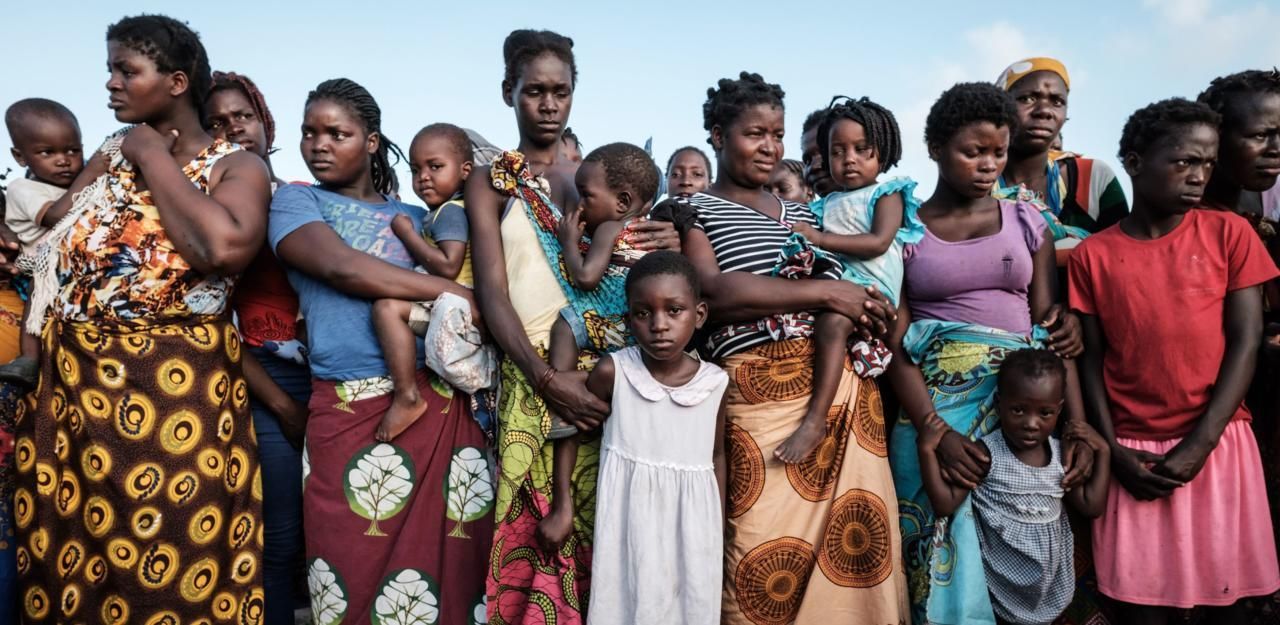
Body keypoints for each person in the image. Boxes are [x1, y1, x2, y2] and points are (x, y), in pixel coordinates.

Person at [14, 14, 272, 623]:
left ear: (177, 81)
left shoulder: (234, 167)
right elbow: (54, 233)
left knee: (177, 565)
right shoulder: (108, 154)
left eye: (126, 70)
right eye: (110, 69)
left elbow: (222, 249)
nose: (111, 84)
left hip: (173, 399)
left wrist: (151, 153)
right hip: (75, 395)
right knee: (73, 566)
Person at [466, 29, 679, 625]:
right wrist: (544, 377)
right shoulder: (492, 181)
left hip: (617, 381)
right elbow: (493, 293)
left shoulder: (603, 178)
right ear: (509, 91)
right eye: (534, 90)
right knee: (536, 542)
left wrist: (668, 236)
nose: (549, 104)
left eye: (561, 91)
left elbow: (647, 272)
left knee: (615, 535)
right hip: (535, 377)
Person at [682, 70, 907, 624]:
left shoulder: (805, 212)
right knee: (758, 556)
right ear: (717, 134)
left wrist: (868, 307)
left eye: (777, 134)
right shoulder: (691, 211)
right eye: (754, 133)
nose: (769, 147)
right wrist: (830, 291)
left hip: (842, 389)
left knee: (856, 556)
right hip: (756, 394)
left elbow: (870, 270)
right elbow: (714, 292)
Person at [270, 78, 491, 624]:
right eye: (309, 133)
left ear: (371, 142)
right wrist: (454, 292)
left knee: (448, 569)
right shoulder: (296, 201)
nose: (319, 144)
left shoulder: (421, 216)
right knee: (343, 562)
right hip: (346, 407)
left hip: (438, 407)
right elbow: (342, 268)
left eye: (337, 133)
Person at [883, 82, 1092, 625]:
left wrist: (1077, 426)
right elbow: (897, 346)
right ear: (934, 148)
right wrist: (933, 428)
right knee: (935, 548)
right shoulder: (904, 231)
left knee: (1023, 546)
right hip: (935, 415)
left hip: (1018, 409)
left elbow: (1050, 331)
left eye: (996, 153)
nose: (986, 164)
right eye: (971, 151)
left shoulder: (1026, 222)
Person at [1072, 98, 1280, 625]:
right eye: (1184, 161)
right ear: (1135, 161)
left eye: (1207, 164)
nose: (1198, 176)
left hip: (1218, 442)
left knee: (1229, 606)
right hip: (1133, 455)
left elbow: (1246, 340)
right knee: (1142, 610)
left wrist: (1201, 443)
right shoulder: (1093, 255)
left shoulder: (1228, 233)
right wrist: (1112, 450)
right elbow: (1091, 359)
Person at [204, 69, 312, 625]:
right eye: (217, 123)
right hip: (264, 381)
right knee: (281, 540)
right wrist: (283, 405)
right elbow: (213, 323)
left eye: (241, 117)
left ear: (265, 124)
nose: (233, 131)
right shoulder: (210, 216)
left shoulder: (303, 197)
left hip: (332, 377)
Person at [583, 251, 728, 624]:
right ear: (629, 319)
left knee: (689, 604)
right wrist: (564, 510)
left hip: (694, 524)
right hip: (628, 518)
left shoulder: (715, 383)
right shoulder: (614, 372)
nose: (659, 325)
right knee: (624, 602)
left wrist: (719, 523)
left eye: (674, 311)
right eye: (643, 313)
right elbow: (576, 427)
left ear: (699, 315)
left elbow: (716, 455)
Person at [918, 349, 1110, 625]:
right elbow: (945, 504)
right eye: (1018, 410)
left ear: (1059, 409)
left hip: (1048, 587)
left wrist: (1103, 450)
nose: (1031, 424)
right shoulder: (987, 454)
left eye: (1045, 413)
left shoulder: (1060, 456)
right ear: (999, 403)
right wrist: (926, 448)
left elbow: (1092, 505)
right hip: (996, 587)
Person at [779, 96, 923, 463]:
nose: (850, 159)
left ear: (883, 152)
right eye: (838, 151)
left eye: (862, 149)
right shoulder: (824, 204)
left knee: (832, 325)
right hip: (841, 287)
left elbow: (877, 243)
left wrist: (820, 239)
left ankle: (815, 420)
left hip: (874, 290)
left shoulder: (887, 194)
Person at [537, 142, 660, 551]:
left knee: (563, 326)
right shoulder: (651, 229)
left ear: (623, 201)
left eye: (587, 196)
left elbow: (585, 278)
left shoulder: (609, 227)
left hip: (603, 321)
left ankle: (563, 390)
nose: (581, 205)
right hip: (635, 337)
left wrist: (568, 238)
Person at [370, 122, 477, 442]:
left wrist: (407, 234)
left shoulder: (450, 213)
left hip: (456, 304)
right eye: (416, 169)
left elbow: (448, 265)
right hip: (448, 303)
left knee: (386, 308)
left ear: (465, 170)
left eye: (436, 166)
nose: (423, 177)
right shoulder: (444, 211)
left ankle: (406, 395)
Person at [995, 57, 1128, 256]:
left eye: (1057, 102)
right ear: (1000, 107)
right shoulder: (977, 181)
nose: (1044, 111)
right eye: (1027, 99)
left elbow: (1123, 254)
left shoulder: (1093, 177)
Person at [0, 99, 84, 387]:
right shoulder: (23, 188)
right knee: (37, 298)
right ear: (20, 157)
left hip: (73, 269)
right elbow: (55, 215)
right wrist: (93, 172)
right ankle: (29, 359)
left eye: (73, 150)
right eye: (48, 152)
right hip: (38, 267)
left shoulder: (73, 185)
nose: (64, 160)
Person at [800, 107, 837, 198]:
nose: (814, 167)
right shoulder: (808, 211)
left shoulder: (875, 204)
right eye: (807, 160)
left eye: (825, 152)